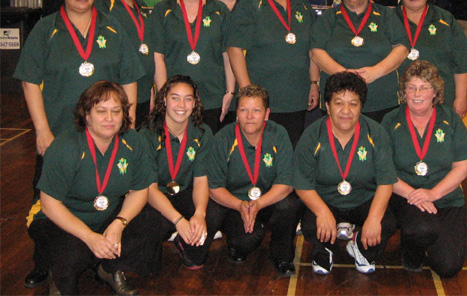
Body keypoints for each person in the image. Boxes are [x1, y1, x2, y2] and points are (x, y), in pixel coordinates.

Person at [14, 0, 144, 289]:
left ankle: (108, 262)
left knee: (109, 197)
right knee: (46, 204)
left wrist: (127, 124)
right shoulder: (46, 30)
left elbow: (129, 78)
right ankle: (44, 263)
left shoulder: (113, 28)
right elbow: (30, 82)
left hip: (106, 136)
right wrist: (42, 129)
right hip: (58, 136)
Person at [26, 81, 155, 295]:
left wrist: (118, 224)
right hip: (57, 218)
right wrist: (90, 237)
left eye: (116, 111)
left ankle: (108, 268)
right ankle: (57, 273)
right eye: (101, 111)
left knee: (152, 222)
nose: (110, 118)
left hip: (106, 215)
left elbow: (139, 190)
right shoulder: (65, 146)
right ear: (86, 114)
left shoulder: (134, 141)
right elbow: (49, 205)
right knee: (73, 255)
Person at [294, 72, 397, 275]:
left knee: (387, 223)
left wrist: (374, 219)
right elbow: (302, 183)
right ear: (327, 105)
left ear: (361, 107)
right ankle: (325, 249)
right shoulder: (312, 135)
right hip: (326, 200)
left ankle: (359, 246)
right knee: (310, 224)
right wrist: (322, 212)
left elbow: (386, 181)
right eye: (339, 103)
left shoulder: (376, 133)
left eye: (353, 104)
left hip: (363, 199)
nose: (346, 111)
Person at [382, 60, 467, 277]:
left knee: (449, 267)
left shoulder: (451, 120)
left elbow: (463, 166)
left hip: (446, 197)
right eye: (411, 87)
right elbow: (383, 169)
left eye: (424, 87)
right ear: (404, 92)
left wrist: (432, 193)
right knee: (421, 229)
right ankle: (410, 253)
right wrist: (415, 195)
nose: (417, 93)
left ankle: (430, 240)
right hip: (405, 196)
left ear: (435, 92)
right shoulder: (391, 121)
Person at [226, 0, 320, 147]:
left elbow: (313, 49)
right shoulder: (249, 5)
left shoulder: (302, 4)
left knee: (291, 152)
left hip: (296, 97)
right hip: (260, 102)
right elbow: (234, 50)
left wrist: (314, 83)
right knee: (260, 156)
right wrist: (247, 93)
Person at [207, 85, 300, 277]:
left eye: (256, 110)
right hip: (235, 203)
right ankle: (237, 246)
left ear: (267, 114)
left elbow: (286, 184)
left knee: (290, 205)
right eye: (243, 110)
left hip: (268, 200)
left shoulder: (278, 134)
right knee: (247, 240)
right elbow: (214, 188)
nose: (249, 116)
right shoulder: (223, 138)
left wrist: (258, 204)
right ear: (236, 113)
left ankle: (282, 256)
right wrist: (240, 205)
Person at [310, 0, 409, 123]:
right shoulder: (328, 19)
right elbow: (316, 52)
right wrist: (345, 75)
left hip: (381, 101)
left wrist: (376, 71)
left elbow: (402, 48)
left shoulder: (386, 15)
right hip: (339, 103)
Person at [141, 75, 218, 271]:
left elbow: (201, 180)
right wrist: (178, 221)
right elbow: (148, 190)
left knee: (211, 218)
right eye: (175, 98)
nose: (181, 105)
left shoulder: (202, 132)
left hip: (185, 193)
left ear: (195, 102)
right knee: (149, 268)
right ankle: (171, 231)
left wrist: (199, 214)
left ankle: (182, 242)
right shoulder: (147, 134)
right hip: (155, 197)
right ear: (164, 99)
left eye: (188, 98)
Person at [151, 0, 234, 134]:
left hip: (212, 98)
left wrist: (230, 92)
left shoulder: (220, 11)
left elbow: (228, 55)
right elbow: (158, 56)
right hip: (176, 101)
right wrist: (165, 96)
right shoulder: (163, 11)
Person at [396, 0, 467, 118]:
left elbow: (461, 64)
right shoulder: (388, 19)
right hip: (398, 104)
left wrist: (460, 98)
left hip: (441, 103)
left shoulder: (445, 20)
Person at [95, 0, 154, 128]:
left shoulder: (140, 4)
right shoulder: (102, 4)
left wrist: (152, 90)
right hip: (118, 94)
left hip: (143, 91)